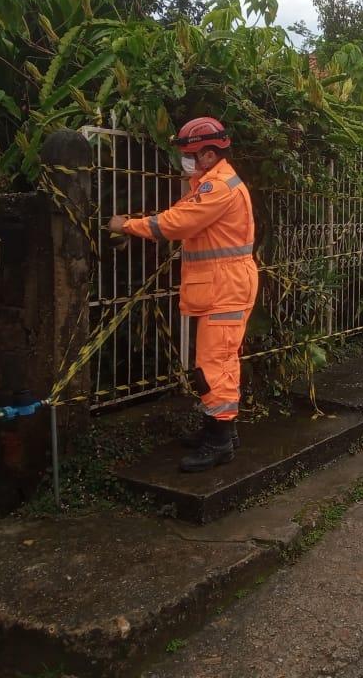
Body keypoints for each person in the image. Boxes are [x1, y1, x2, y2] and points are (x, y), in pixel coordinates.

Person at [108, 116, 258, 472]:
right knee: (223, 361)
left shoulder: (217, 188)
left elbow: (176, 224)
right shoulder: (210, 182)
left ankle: (219, 443)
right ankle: (221, 430)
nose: (184, 160)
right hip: (225, 284)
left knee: (213, 365)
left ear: (208, 155)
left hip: (226, 287)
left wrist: (125, 225)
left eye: (189, 154)